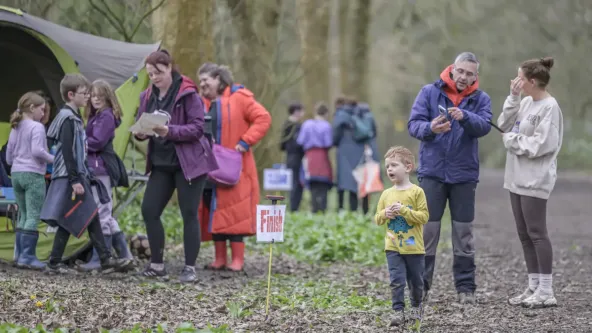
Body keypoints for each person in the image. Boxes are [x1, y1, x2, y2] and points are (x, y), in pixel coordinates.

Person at [407, 51, 492, 304]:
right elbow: (414, 125)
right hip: (432, 173)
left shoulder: (481, 98)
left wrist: (465, 116)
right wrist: (430, 128)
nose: (464, 77)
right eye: (461, 71)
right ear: (452, 69)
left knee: (463, 232)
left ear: (476, 76)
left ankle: (466, 288)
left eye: (470, 73)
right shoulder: (429, 93)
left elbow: (485, 126)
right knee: (428, 232)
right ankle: (421, 287)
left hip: (464, 176)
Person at [134, 50, 217, 282]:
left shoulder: (188, 93)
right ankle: (157, 264)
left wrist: (169, 131)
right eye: (150, 74)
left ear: (169, 67)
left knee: (189, 213)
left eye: (158, 73)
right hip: (161, 162)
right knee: (149, 210)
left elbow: (197, 128)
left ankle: (190, 268)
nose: (154, 78)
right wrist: (141, 133)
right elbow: (142, 122)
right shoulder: (146, 96)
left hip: (188, 162)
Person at [40, 73, 132, 274]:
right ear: (71, 95)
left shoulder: (73, 117)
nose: (88, 97)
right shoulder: (68, 119)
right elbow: (67, 151)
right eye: (84, 93)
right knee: (78, 215)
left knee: (90, 214)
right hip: (70, 176)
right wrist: (75, 179)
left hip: (77, 174)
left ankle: (104, 260)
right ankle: (56, 263)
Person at [497, 57, 562, 308]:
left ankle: (546, 290)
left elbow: (543, 145)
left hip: (536, 178)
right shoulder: (525, 102)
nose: (516, 82)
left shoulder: (549, 107)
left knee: (537, 233)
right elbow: (503, 125)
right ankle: (534, 286)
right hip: (516, 177)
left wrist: (511, 141)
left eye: (520, 78)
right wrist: (513, 98)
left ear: (532, 81)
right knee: (524, 235)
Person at [198, 62, 271, 272]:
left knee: (236, 212)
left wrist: (245, 141)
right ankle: (219, 258)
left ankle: (237, 260)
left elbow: (263, 118)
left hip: (235, 165)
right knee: (213, 210)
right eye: (200, 80)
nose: (202, 84)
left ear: (219, 80)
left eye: (206, 80)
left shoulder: (241, 98)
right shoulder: (201, 103)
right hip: (209, 167)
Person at [77, 79, 133, 271]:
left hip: (100, 168)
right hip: (95, 167)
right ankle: (125, 255)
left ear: (108, 98)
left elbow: (97, 141)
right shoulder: (97, 116)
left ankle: (100, 258)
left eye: (100, 96)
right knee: (105, 211)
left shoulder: (106, 116)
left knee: (102, 212)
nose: (96, 99)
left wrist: (79, 143)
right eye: (93, 96)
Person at [375, 146, 429, 326]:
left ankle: (416, 307)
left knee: (416, 282)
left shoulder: (417, 192)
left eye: (394, 165)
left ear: (408, 167)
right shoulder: (386, 194)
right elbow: (377, 218)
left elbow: (424, 217)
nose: (389, 169)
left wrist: (405, 211)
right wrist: (385, 214)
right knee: (396, 281)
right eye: (387, 166)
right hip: (393, 247)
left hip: (414, 247)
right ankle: (398, 311)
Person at [6, 92, 54, 270]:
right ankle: (28, 257)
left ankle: (19, 255)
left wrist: (17, 163)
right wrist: (54, 159)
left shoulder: (15, 126)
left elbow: (9, 156)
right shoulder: (37, 127)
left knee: (23, 214)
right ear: (32, 108)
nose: (43, 114)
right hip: (33, 174)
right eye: (42, 109)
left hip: (16, 174)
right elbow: (37, 151)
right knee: (33, 214)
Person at [333, 97, 374, 214]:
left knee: (348, 182)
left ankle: (348, 210)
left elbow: (335, 137)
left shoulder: (341, 115)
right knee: (361, 180)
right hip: (360, 151)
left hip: (345, 152)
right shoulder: (364, 114)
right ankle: (365, 211)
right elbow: (372, 133)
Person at [296, 102, 333, 213]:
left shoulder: (307, 124)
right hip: (322, 155)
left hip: (309, 156)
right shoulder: (326, 126)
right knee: (323, 183)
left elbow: (300, 141)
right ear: (326, 113)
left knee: (312, 183)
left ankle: (314, 208)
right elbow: (328, 143)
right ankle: (322, 208)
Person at [280, 103, 305, 212]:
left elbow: (282, 145)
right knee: (296, 183)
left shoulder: (285, 125)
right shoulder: (296, 126)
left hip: (289, 157)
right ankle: (294, 207)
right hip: (296, 157)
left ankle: (293, 206)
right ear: (296, 112)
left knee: (293, 182)